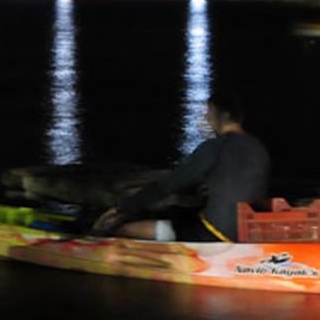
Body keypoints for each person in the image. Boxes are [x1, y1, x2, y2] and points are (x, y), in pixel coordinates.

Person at [92, 90, 271, 242]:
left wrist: (122, 208)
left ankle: (107, 242)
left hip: (215, 233)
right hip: (248, 232)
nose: (207, 118)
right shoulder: (259, 148)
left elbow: (169, 184)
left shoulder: (215, 147)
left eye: (208, 113)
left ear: (215, 116)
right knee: (184, 215)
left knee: (126, 229)